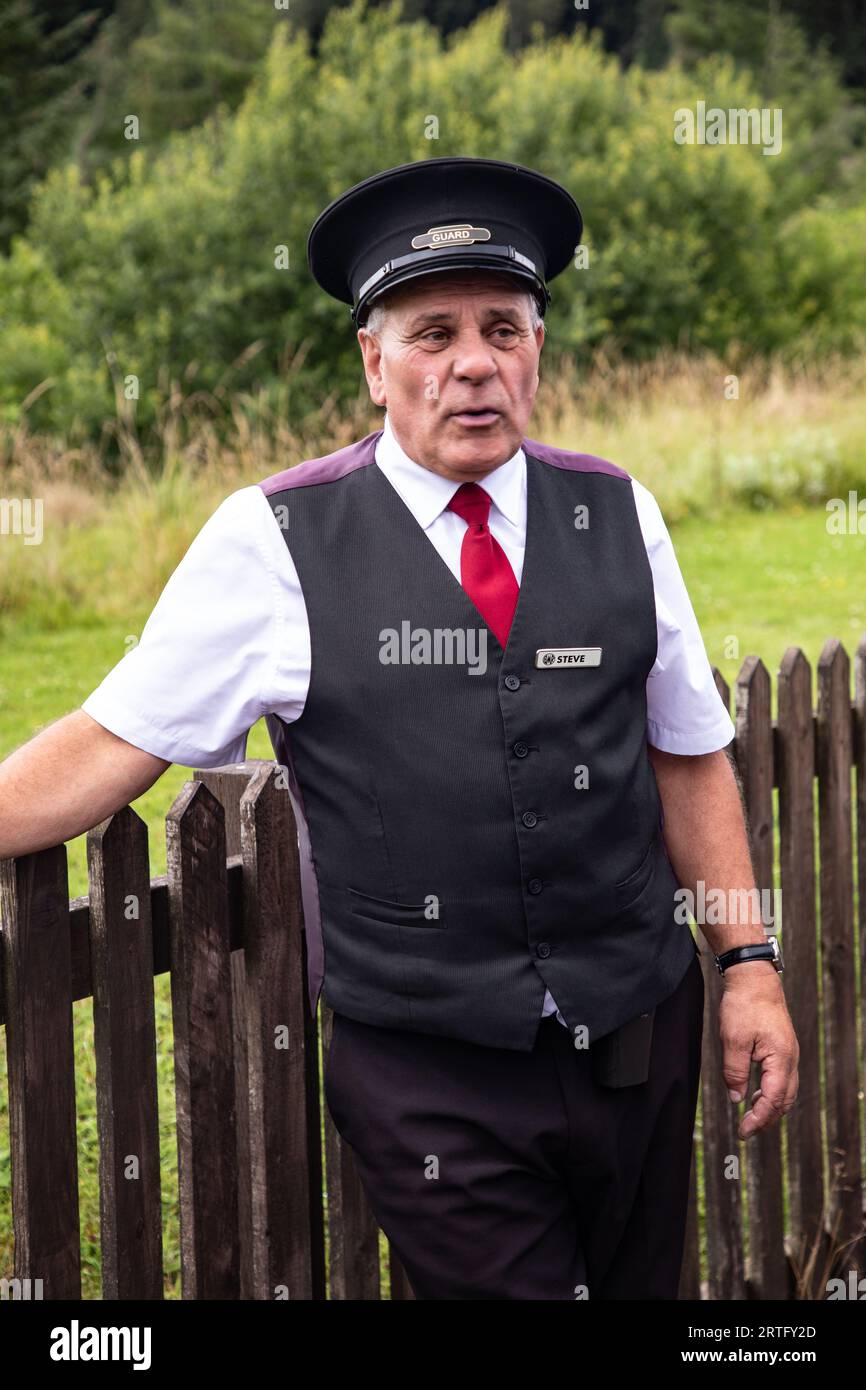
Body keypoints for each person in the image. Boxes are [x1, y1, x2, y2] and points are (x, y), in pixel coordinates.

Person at [0, 156, 799, 1300]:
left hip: (637, 1040)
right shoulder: (273, 539)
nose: (473, 362)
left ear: (536, 350)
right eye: (431, 333)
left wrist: (748, 965)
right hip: (432, 1076)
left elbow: (686, 749)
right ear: (372, 363)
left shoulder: (616, 510)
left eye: (503, 328)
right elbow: (106, 740)